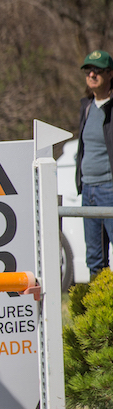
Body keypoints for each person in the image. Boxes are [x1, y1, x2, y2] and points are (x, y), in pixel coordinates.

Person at [74, 49, 113, 278]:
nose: (92, 74)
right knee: (95, 259)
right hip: (88, 190)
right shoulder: (86, 107)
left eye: (97, 70)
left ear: (109, 74)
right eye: (88, 70)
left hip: (109, 188)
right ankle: (101, 309)